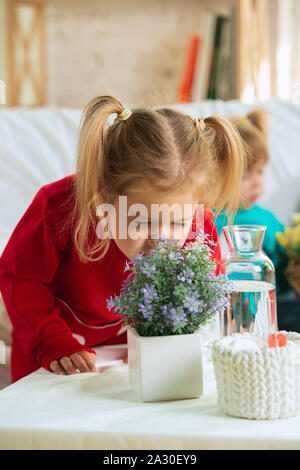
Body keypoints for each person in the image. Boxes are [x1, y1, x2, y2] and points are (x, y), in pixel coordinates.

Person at [0, 95, 246, 382]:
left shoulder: (199, 229)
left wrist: (161, 337)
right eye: (141, 220)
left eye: (178, 222)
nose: (161, 240)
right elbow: (21, 278)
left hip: (139, 359)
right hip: (55, 356)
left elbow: (205, 299)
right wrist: (53, 342)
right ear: (106, 197)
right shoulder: (59, 207)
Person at [213, 109, 291, 296]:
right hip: (222, 309)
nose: (258, 182)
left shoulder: (267, 220)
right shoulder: (209, 219)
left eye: (260, 171)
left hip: (271, 309)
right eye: (246, 176)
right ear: (216, 176)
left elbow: (286, 270)